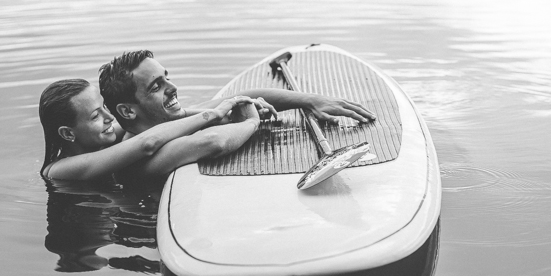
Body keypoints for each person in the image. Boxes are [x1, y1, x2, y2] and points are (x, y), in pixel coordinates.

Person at [97, 49, 376, 179]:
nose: (173, 88)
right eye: (157, 86)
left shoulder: (169, 119)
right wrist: (251, 121)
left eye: (166, 78)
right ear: (127, 111)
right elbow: (213, 142)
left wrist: (310, 100)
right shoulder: (134, 156)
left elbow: (234, 98)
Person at [38, 78, 262, 181]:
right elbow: (148, 142)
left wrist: (235, 106)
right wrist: (213, 116)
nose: (109, 117)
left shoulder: (103, 136)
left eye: (105, 107)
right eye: (96, 116)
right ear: (68, 134)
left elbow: (171, 121)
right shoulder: (62, 170)